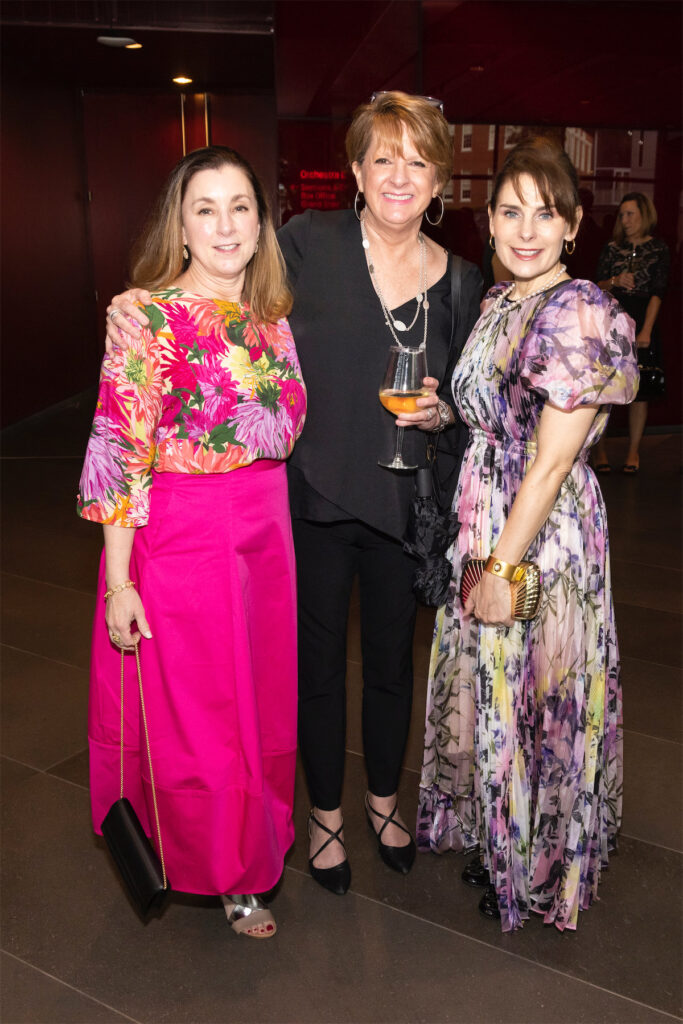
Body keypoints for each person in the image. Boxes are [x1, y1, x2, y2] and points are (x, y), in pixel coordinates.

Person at [103, 92, 483, 896]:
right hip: (300, 505)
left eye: (417, 160)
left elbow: (469, 407)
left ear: (441, 176)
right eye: (382, 157)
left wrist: (444, 411)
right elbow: (132, 430)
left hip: (392, 509)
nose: (398, 175)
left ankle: (383, 802)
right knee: (298, 675)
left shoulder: (459, 282)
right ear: (354, 170)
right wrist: (119, 577)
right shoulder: (306, 245)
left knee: (383, 666)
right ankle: (321, 819)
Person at [79, 146, 306, 938]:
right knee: (199, 715)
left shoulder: (271, 315)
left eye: (239, 206)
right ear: (179, 224)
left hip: (265, 535)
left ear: (260, 220)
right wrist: (119, 582)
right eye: (204, 208)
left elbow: (278, 433)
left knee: (263, 709)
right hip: (182, 536)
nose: (224, 224)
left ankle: (250, 858)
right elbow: (116, 454)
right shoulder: (142, 315)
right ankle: (213, 868)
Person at [417, 137, 638, 933]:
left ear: (573, 224)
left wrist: (497, 573)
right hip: (486, 514)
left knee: (541, 690)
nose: (524, 229)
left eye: (544, 213)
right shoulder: (498, 301)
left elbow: (549, 462)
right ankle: (501, 835)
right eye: (509, 211)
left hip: (538, 535)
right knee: (493, 685)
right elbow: (498, 418)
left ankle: (542, 865)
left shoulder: (578, 310)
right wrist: (445, 412)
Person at [593, 192, 669, 474]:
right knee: (603, 388)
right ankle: (598, 450)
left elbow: (658, 293)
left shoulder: (658, 249)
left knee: (641, 391)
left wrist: (647, 329)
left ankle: (633, 452)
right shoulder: (612, 248)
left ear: (644, 215)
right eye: (621, 215)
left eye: (630, 214)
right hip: (611, 321)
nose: (624, 220)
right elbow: (596, 286)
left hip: (642, 320)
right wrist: (614, 280)